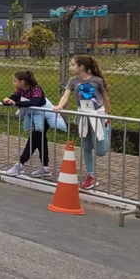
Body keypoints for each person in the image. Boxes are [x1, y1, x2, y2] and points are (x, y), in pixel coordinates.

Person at [54, 56, 110, 190]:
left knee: (101, 151)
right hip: (83, 115)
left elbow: (105, 98)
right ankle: (91, 176)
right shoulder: (73, 81)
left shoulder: (97, 81)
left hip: (97, 115)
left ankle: (106, 129)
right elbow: (65, 95)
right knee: (86, 146)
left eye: (72, 65)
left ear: (81, 67)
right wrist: (60, 106)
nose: (70, 67)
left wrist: (108, 114)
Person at [2, 71, 54, 177]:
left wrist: (16, 103)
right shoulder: (20, 90)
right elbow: (13, 99)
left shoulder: (36, 89)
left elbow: (35, 102)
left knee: (33, 140)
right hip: (36, 117)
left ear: (22, 82)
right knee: (41, 141)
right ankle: (45, 167)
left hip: (45, 116)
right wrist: (5, 101)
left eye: (15, 81)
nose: (13, 83)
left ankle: (20, 164)